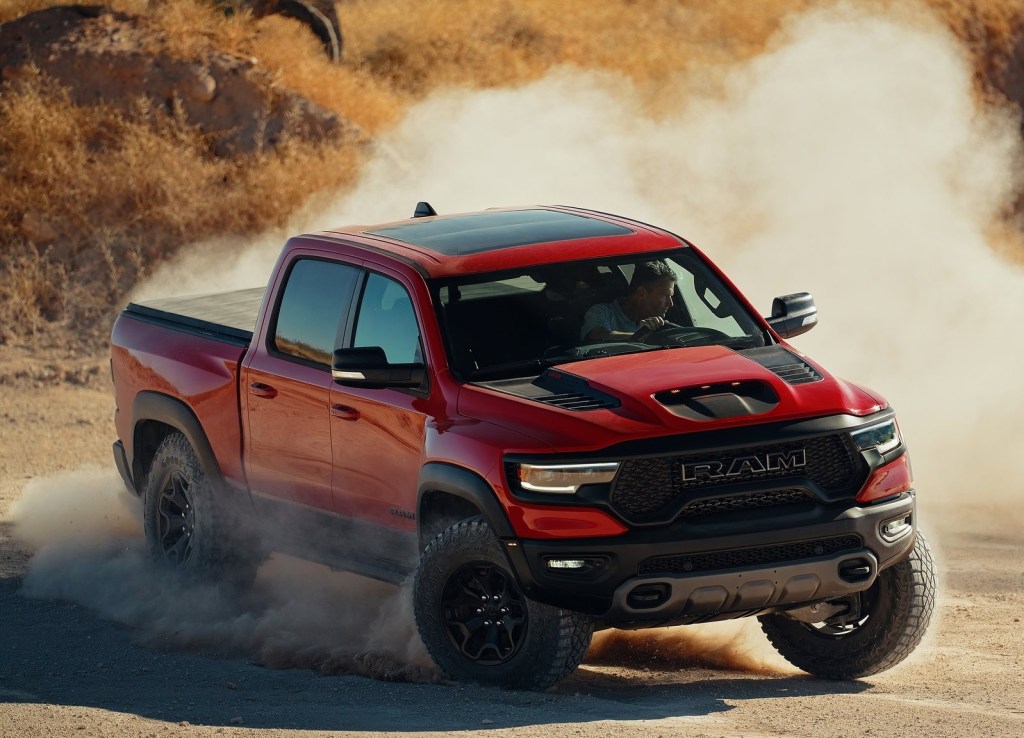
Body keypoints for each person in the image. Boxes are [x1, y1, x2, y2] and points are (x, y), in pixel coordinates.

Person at [580, 260, 677, 341]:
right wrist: (639, 335)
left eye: (671, 297)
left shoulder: (663, 323)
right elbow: (598, 337)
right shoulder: (602, 312)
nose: (671, 303)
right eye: (665, 296)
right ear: (642, 292)